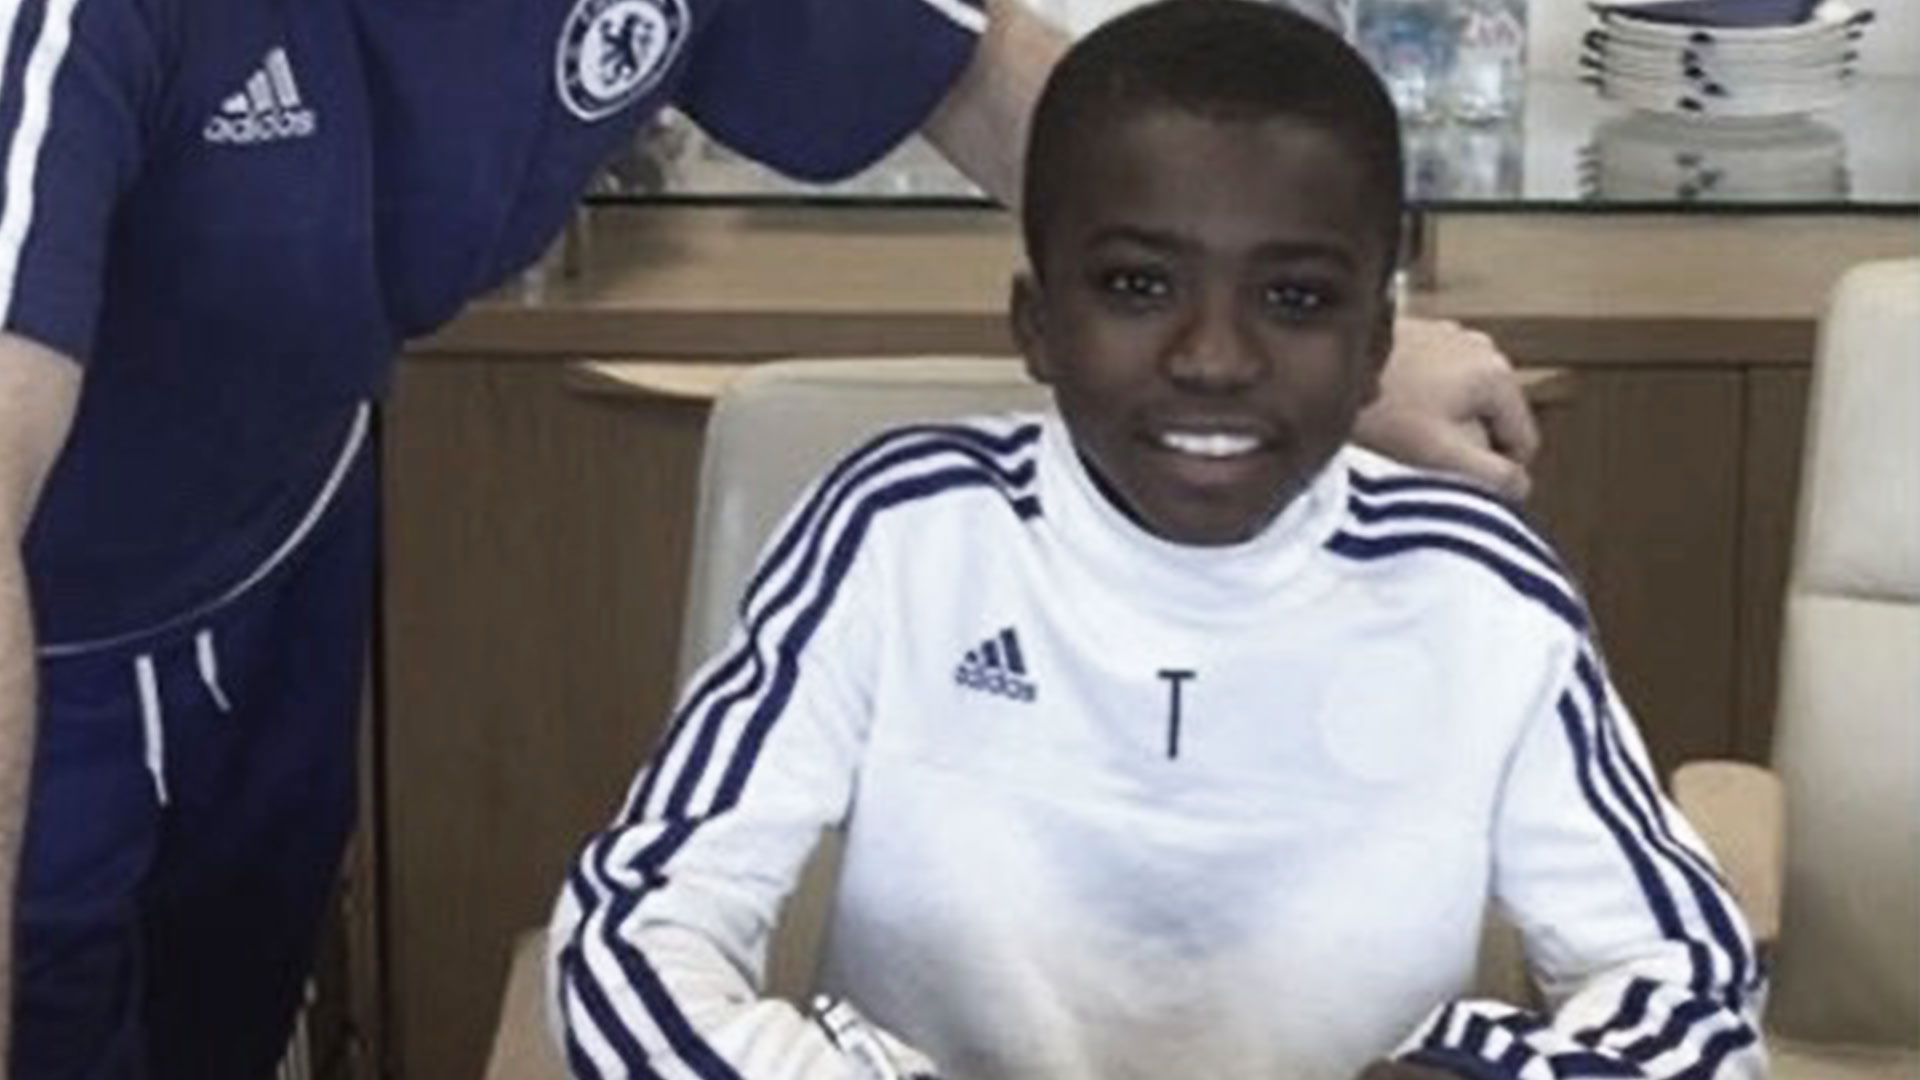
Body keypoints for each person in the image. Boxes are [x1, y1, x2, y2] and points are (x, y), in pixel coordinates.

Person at [0, 0, 1537, 1074]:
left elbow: (981, 82)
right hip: (48, 604)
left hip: (281, 518)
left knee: (216, 1016)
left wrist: (1342, 344)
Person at [547, 2, 1766, 1077]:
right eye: (1138, 286)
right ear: (1036, 323)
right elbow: (633, 927)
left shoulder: (1480, 592)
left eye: (1295, 298)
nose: (1213, 358)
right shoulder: (898, 532)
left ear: (1375, 351)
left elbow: (1692, 996)